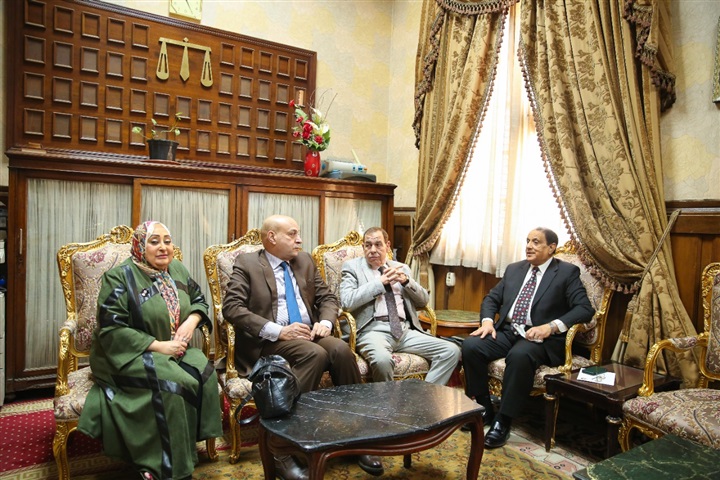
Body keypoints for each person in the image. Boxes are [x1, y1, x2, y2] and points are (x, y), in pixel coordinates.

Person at [222, 214, 382, 479]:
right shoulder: (248, 263)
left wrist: (326, 323)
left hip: (309, 333)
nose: (299, 240)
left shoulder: (304, 260)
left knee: (341, 351)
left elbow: (327, 298)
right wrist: (278, 330)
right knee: (315, 354)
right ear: (272, 237)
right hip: (270, 341)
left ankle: (358, 437)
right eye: (292, 234)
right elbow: (232, 308)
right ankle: (281, 448)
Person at [78, 221, 223, 480]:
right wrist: (158, 346)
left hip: (174, 346)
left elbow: (199, 300)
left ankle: (186, 447)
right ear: (139, 247)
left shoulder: (177, 269)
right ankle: (166, 467)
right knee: (172, 385)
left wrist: (191, 321)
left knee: (205, 373)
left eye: (167, 241)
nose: (163, 247)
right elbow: (111, 328)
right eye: (154, 242)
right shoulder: (120, 277)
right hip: (129, 352)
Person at [461, 227, 594, 449]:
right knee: (471, 345)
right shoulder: (515, 269)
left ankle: (503, 420)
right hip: (509, 331)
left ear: (551, 248)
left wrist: (551, 327)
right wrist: (487, 322)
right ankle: (484, 408)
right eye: (528, 241)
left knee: (520, 355)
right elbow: (491, 299)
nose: (529, 246)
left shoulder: (566, 272)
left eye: (536, 242)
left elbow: (584, 309)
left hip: (541, 340)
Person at [339, 227, 460, 385]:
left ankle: (424, 395)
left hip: (404, 331)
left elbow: (423, 301)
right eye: (368, 245)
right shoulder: (352, 267)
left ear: (387, 246)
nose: (373, 250)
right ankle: (388, 401)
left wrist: (406, 282)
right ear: (363, 247)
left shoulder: (401, 268)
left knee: (451, 351)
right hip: (372, 331)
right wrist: (380, 283)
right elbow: (347, 302)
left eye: (378, 244)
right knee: (382, 360)